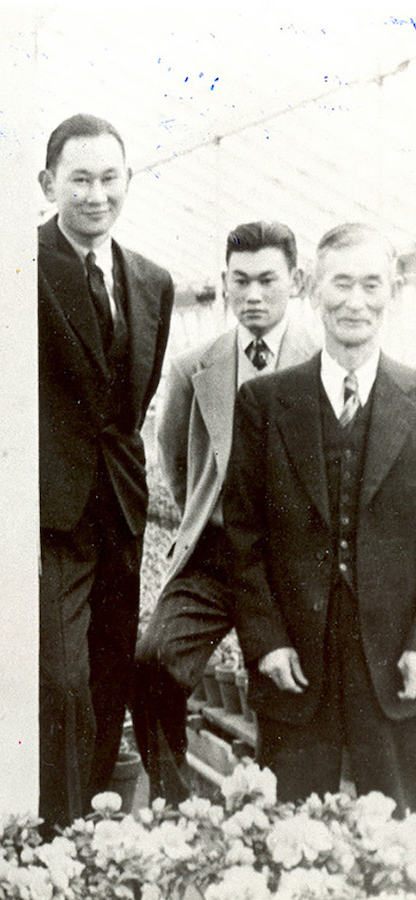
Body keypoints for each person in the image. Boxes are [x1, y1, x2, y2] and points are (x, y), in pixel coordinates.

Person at [0, 114, 174, 826]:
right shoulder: (22, 259)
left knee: (109, 668)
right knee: (59, 680)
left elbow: (131, 398)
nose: (95, 194)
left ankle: (81, 824)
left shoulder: (153, 281)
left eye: (109, 178)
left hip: (119, 501)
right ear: (49, 184)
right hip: (47, 506)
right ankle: (47, 836)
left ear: (128, 181)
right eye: (78, 179)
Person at [223, 223, 416, 810]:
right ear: (312, 289)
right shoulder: (265, 401)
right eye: (340, 284)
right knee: (289, 830)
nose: (355, 301)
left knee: (397, 835)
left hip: (392, 665)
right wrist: (267, 642)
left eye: (371, 285)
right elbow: (243, 536)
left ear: (395, 291)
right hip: (296, 663)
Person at [132, 222, 317, 803]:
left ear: (297, 281)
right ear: (224, 284)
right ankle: (175, 799)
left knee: (295, 690)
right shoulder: (194, 367)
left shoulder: (321, 362)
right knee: (153, 661)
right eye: (241, 281)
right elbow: (175, 458)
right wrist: (212, 516)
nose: (254, 295)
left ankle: (279, 815)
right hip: (214, 555)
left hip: (294, 563)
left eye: (268, 280)